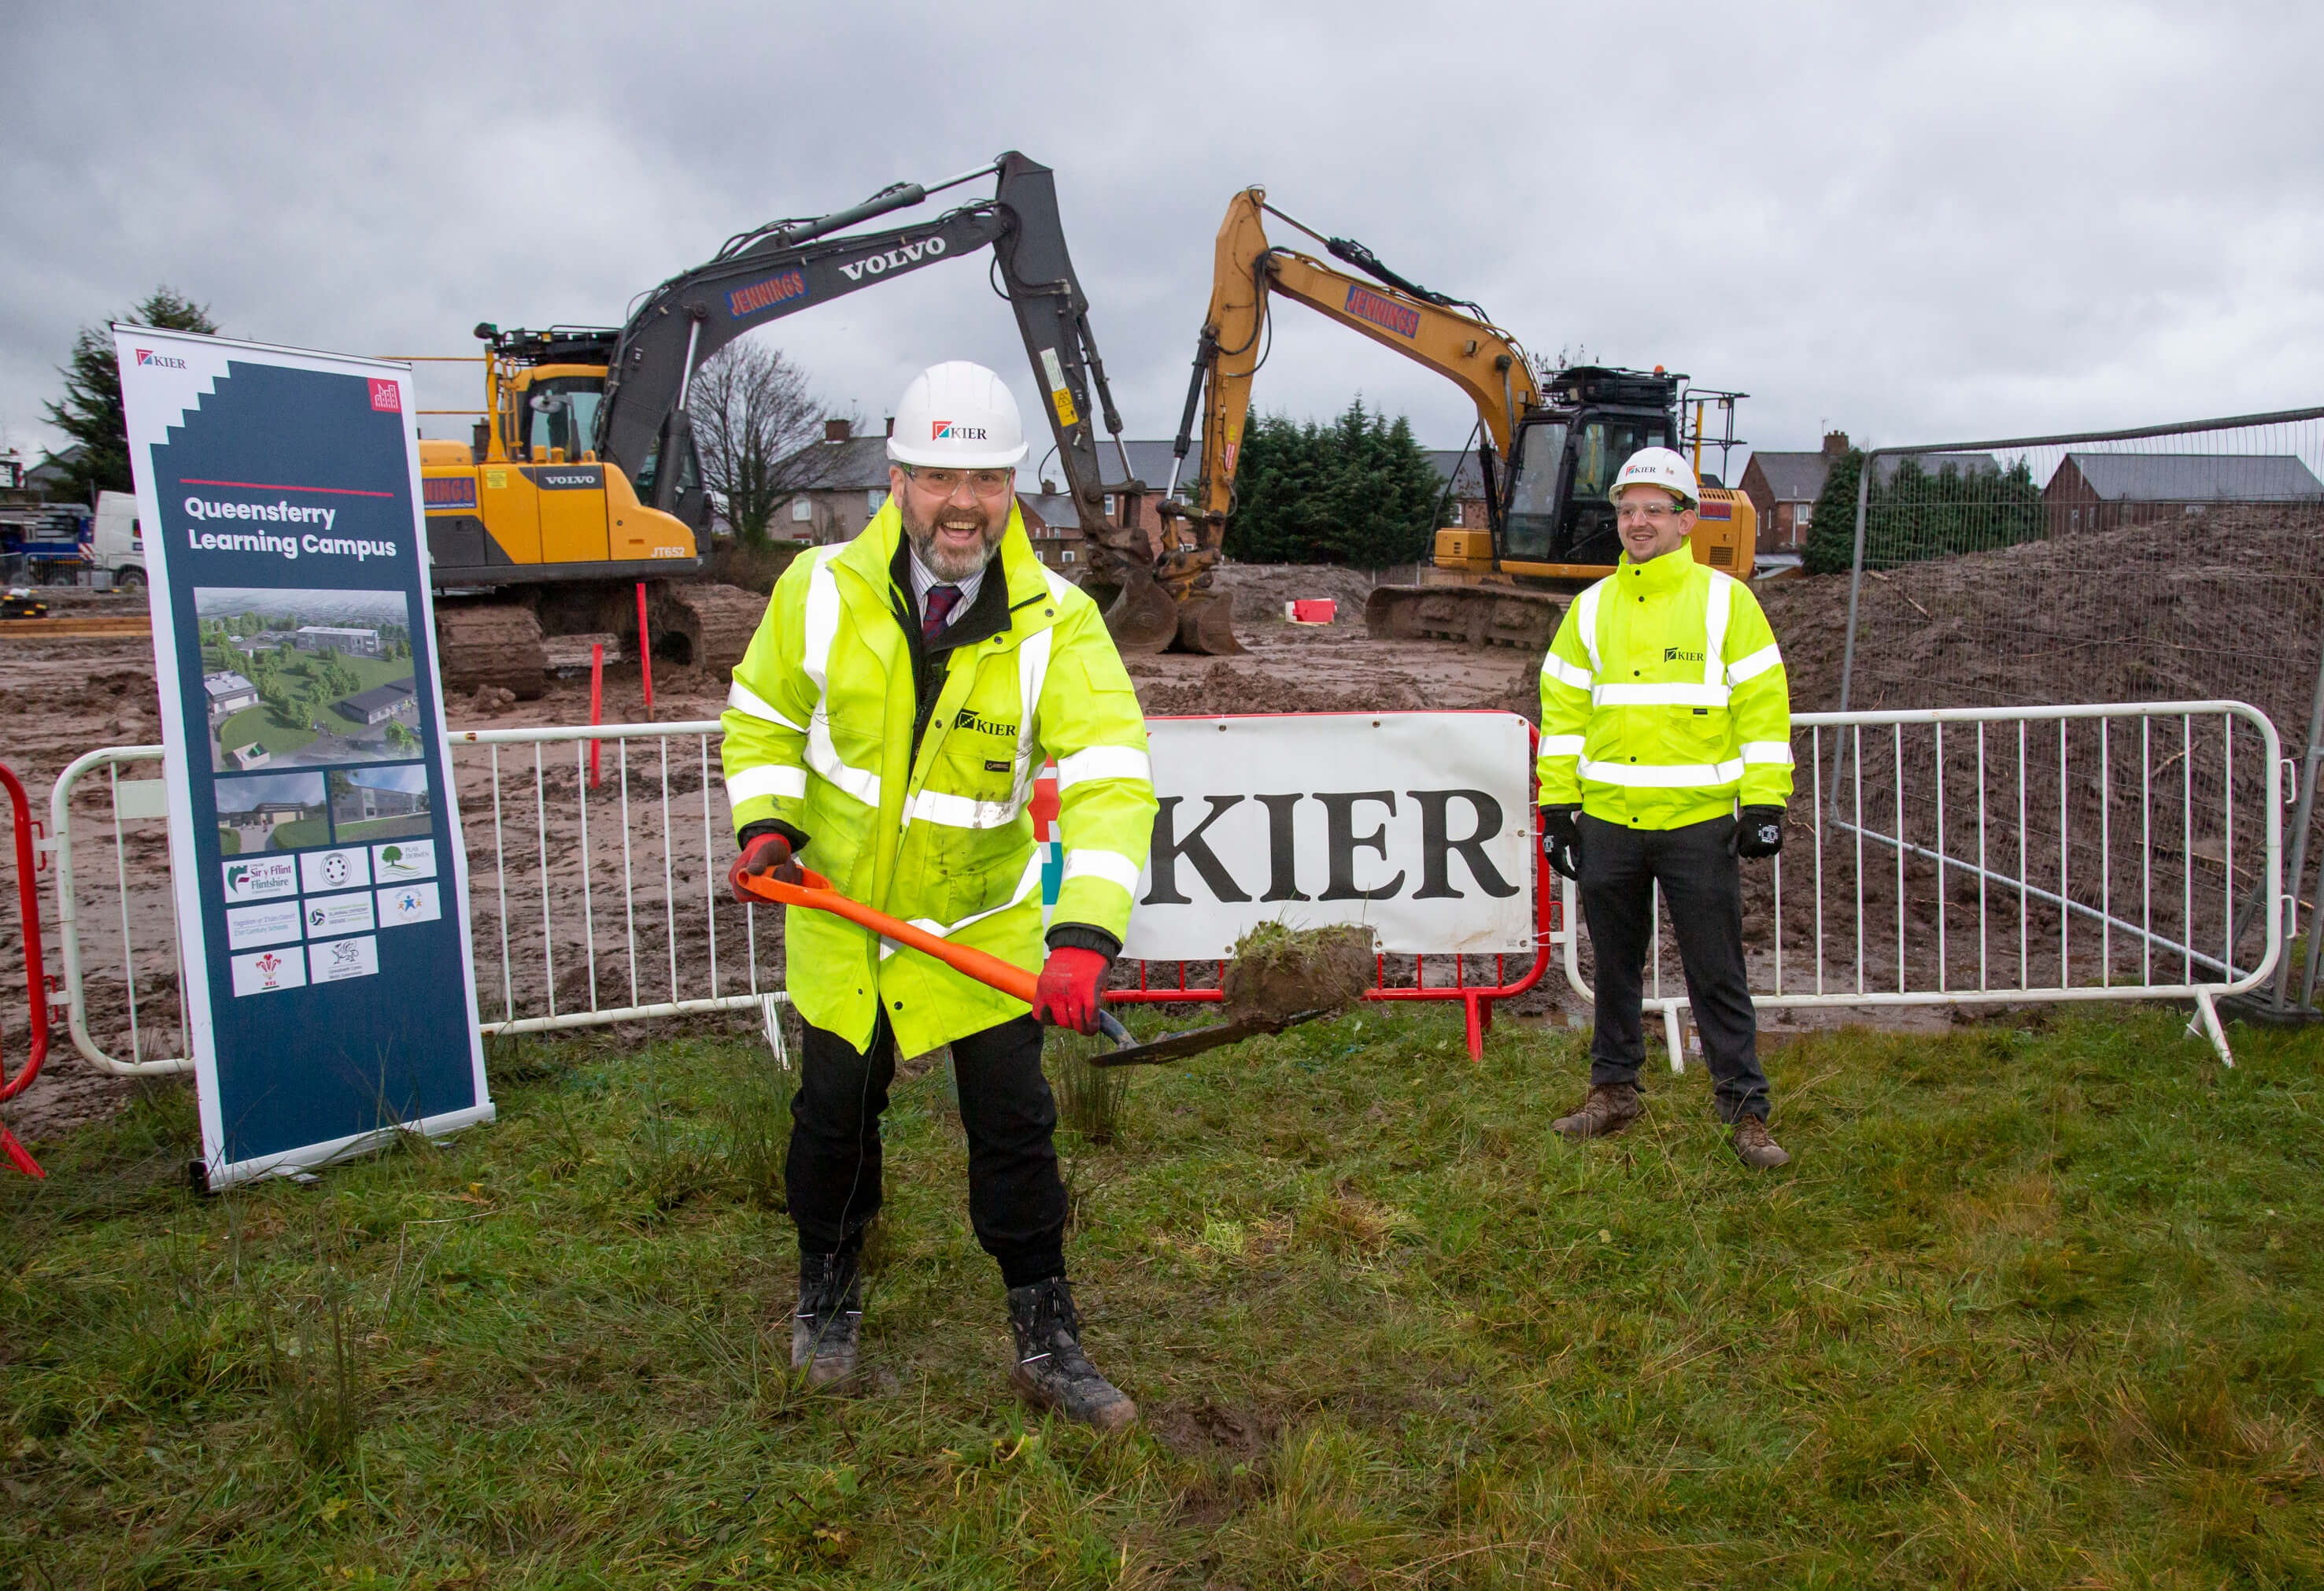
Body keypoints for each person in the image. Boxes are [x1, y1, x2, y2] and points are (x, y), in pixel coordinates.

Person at [720, 361, 1157, 1427]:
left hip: (980, 926)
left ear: (1014, 489)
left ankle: (1045, 1333)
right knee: (834, 1119)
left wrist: (1085, 934)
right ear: (896, 476)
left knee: (1015, 1124)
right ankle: (826, 1294)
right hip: (844, 925)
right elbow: (763, 715)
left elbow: (1109, 772)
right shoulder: (814, 588)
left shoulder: (1057, 619)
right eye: (937, 475)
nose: (962, 502)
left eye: (987, 479)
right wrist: (768, 823)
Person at [1535, 446, 1795, 1168]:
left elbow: (1761, 708)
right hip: (1611, 824)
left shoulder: (1726, 602)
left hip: (1696, 823)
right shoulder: (1589, 611)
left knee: (1717, 971)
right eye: (1626, 511)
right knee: (1614, 967)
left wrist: (1765, 802)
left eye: (1654, 509)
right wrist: (1557, 810)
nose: (1637, 522)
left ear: (1687, 520)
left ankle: (1745, 1111)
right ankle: (1612, 1091)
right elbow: (1562, 718)